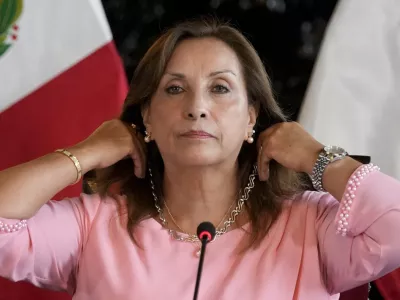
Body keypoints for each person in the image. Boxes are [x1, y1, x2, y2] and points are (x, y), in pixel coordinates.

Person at [1, 18, 400, 300]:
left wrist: (317, 156)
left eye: (220, 88)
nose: (197, 107)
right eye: (174, 89)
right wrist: (86, 153)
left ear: (252, 117)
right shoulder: (94, 226)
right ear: (147, 118)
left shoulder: (310, 224)